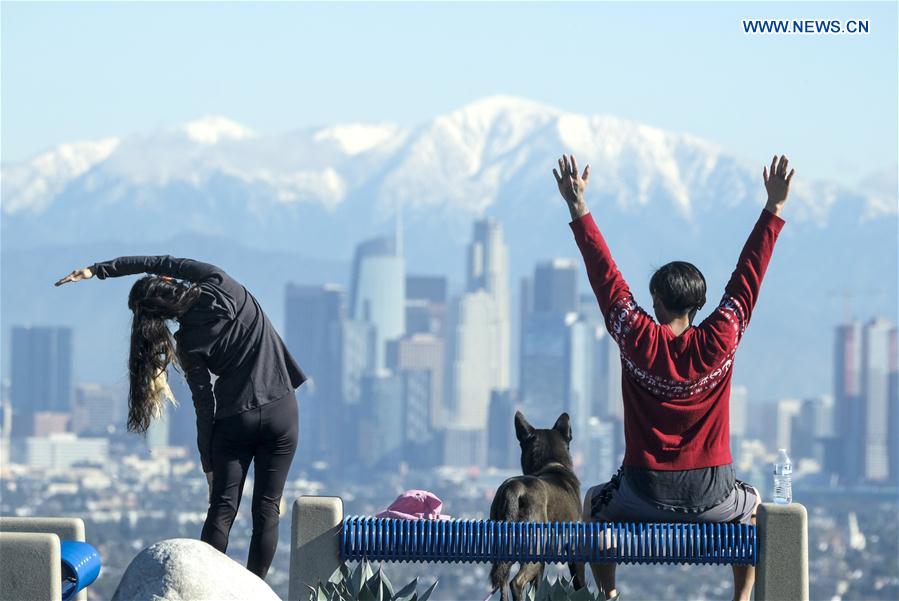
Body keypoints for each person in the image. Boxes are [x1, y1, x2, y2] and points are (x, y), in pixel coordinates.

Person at [553, 153, 793, 601]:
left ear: (658, 301)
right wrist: (773, 209)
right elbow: (748, 278)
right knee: (757, 507)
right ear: (698, 304)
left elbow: (606, 278)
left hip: (641, 493)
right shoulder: (722, 337)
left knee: (593, 506)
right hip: (714, 497)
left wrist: (578, 207)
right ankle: (742, 598)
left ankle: (607, 593)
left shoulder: (636, 337)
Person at [55, 256, 306, 579]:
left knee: (222, 510)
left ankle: (205, 588)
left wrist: (209, 465)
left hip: (234, 421)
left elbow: (204, 406)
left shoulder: (188, 342)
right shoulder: (222, 283)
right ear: (169, 282)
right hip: (282, 411)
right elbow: (160, 260)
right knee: (267, 509)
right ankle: (256, 587)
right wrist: (97, 270)